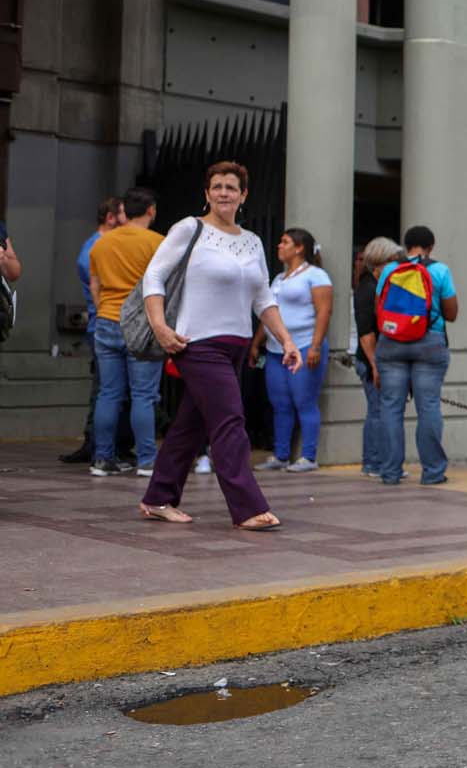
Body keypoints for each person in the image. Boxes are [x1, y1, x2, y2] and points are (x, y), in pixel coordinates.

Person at [137, 161, 302, 531]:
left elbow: (263, 297)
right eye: (217, 186)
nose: (223, 192)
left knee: (190, 426)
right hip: (198, 344)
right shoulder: (188, 229)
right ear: (207, 193)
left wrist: (286, 340)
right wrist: (161, 327)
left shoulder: (253, 241)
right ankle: (247, 507)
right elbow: (154, 276)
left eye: (231, 187)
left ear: (244, 195)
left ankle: (157, 497)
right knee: (230, 421)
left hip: (237, 345)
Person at [87, 187, 165, 478]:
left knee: (108, 393)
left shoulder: (101, 244)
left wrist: (105, 309)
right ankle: (146, 461)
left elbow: (95, 285)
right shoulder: (158, 243)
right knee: (144, 395)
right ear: (151, 210)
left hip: (107, 319)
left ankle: (102, 459)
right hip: (142, 322)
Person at [375, 225, 458, 486]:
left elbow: (379, 308)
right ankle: (432, 472)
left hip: (392, 342)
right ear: (431, 246)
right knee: (429, 406)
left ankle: (390, 473)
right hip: (429, 343)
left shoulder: (389, 270)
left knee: (390, 407)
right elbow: (452, 313)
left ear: (406, 245)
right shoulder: (440, 270)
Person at [252, 228, 334, 472]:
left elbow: (324, 312)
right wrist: (257, 342)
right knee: (280, 403)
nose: (279, 246)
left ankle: (309, 456)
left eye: (284, 242)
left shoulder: (317, 276)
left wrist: (316, 346)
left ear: (299, 248)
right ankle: (281, 455)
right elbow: (269, 313)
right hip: (277, 349)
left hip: (305, 344)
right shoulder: (279, 278)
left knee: (304, 400)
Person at [62, 198, 125, 465]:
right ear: (110, 218)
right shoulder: (95, 249)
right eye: (123, 215)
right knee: (107, 390)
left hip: (102, 323)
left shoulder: (99, 247)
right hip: (105, 324)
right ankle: (98, 447)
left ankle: (100, 446)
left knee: (106, 389)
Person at [355, 237, 402, 478]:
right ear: (378, 264)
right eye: (393, 261)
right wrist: (375, 365)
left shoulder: (380, 287)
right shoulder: (367, 289)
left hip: (378, 360)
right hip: (370, 360)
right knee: (377, 411)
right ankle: (373, 462)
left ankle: (379, 461)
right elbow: (366, 333)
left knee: (380, 410)